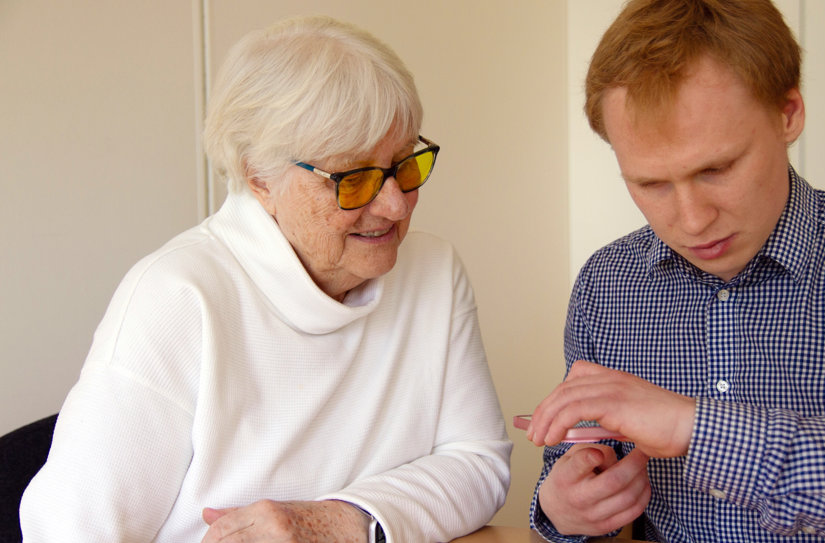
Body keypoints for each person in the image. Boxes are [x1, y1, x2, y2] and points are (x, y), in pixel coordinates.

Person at [20, 15, 511, 543]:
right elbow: (68, 531)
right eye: (355, 178)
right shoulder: (178, 297)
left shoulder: (435, 271)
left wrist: (346, 521)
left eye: (404, 165)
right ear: (260, 178)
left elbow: (479, 462)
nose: (394, 205)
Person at [524, 0, 825, 541]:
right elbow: (577, 454)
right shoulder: (606, 284)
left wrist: (692, 428)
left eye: (716, 169)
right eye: (651, 184)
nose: (692, 221)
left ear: (788, 114)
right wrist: (564, 507)